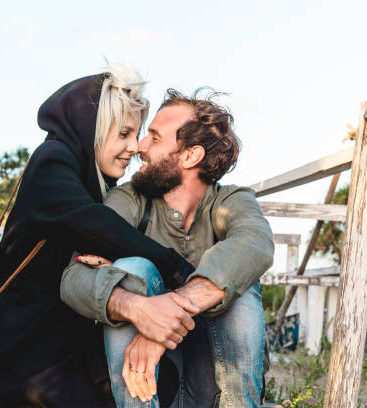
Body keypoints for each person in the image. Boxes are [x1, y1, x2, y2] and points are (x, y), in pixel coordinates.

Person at [0, 69, 198, 408]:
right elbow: (95, 225)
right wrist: (177, 267)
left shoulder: (89, 173)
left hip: (63, 333)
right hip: (23, 343)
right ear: (94, 128)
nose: (134, 147)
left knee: (161, 384)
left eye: (136, 134)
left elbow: (94, 236)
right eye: (123, 133)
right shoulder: (53, 160)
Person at [62, 89, 274, 407]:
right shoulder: (129, 199)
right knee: (133, 271)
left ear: (190, 156)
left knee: (240, 283)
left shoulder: (231, 200)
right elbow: (73, 277)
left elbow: (254, 244)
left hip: (214, 380)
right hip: (150, 386)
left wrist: (163, 321)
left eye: (154, 138)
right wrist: (138, 309)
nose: (139, 147)